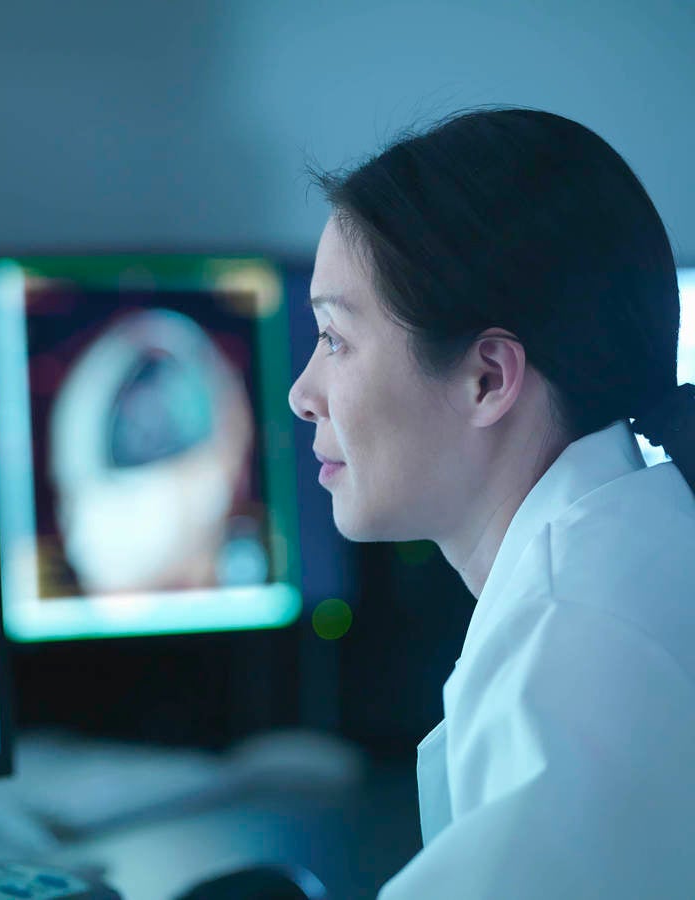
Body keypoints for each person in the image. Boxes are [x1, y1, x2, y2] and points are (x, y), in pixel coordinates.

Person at [288, 106, 695, 898]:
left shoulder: (572, 643)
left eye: (335, 339)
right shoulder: (634, 546)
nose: (304, 394)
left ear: (488, 379)